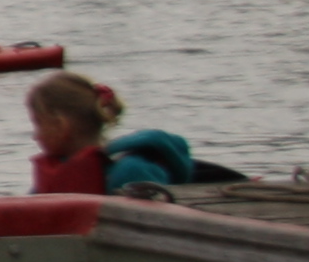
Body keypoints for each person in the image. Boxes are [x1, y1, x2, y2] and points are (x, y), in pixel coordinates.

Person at [26, 71, 206, 194]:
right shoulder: (50, 178)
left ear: (61, 125)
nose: (35, 136)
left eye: (38, 124)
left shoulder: (132, 172)